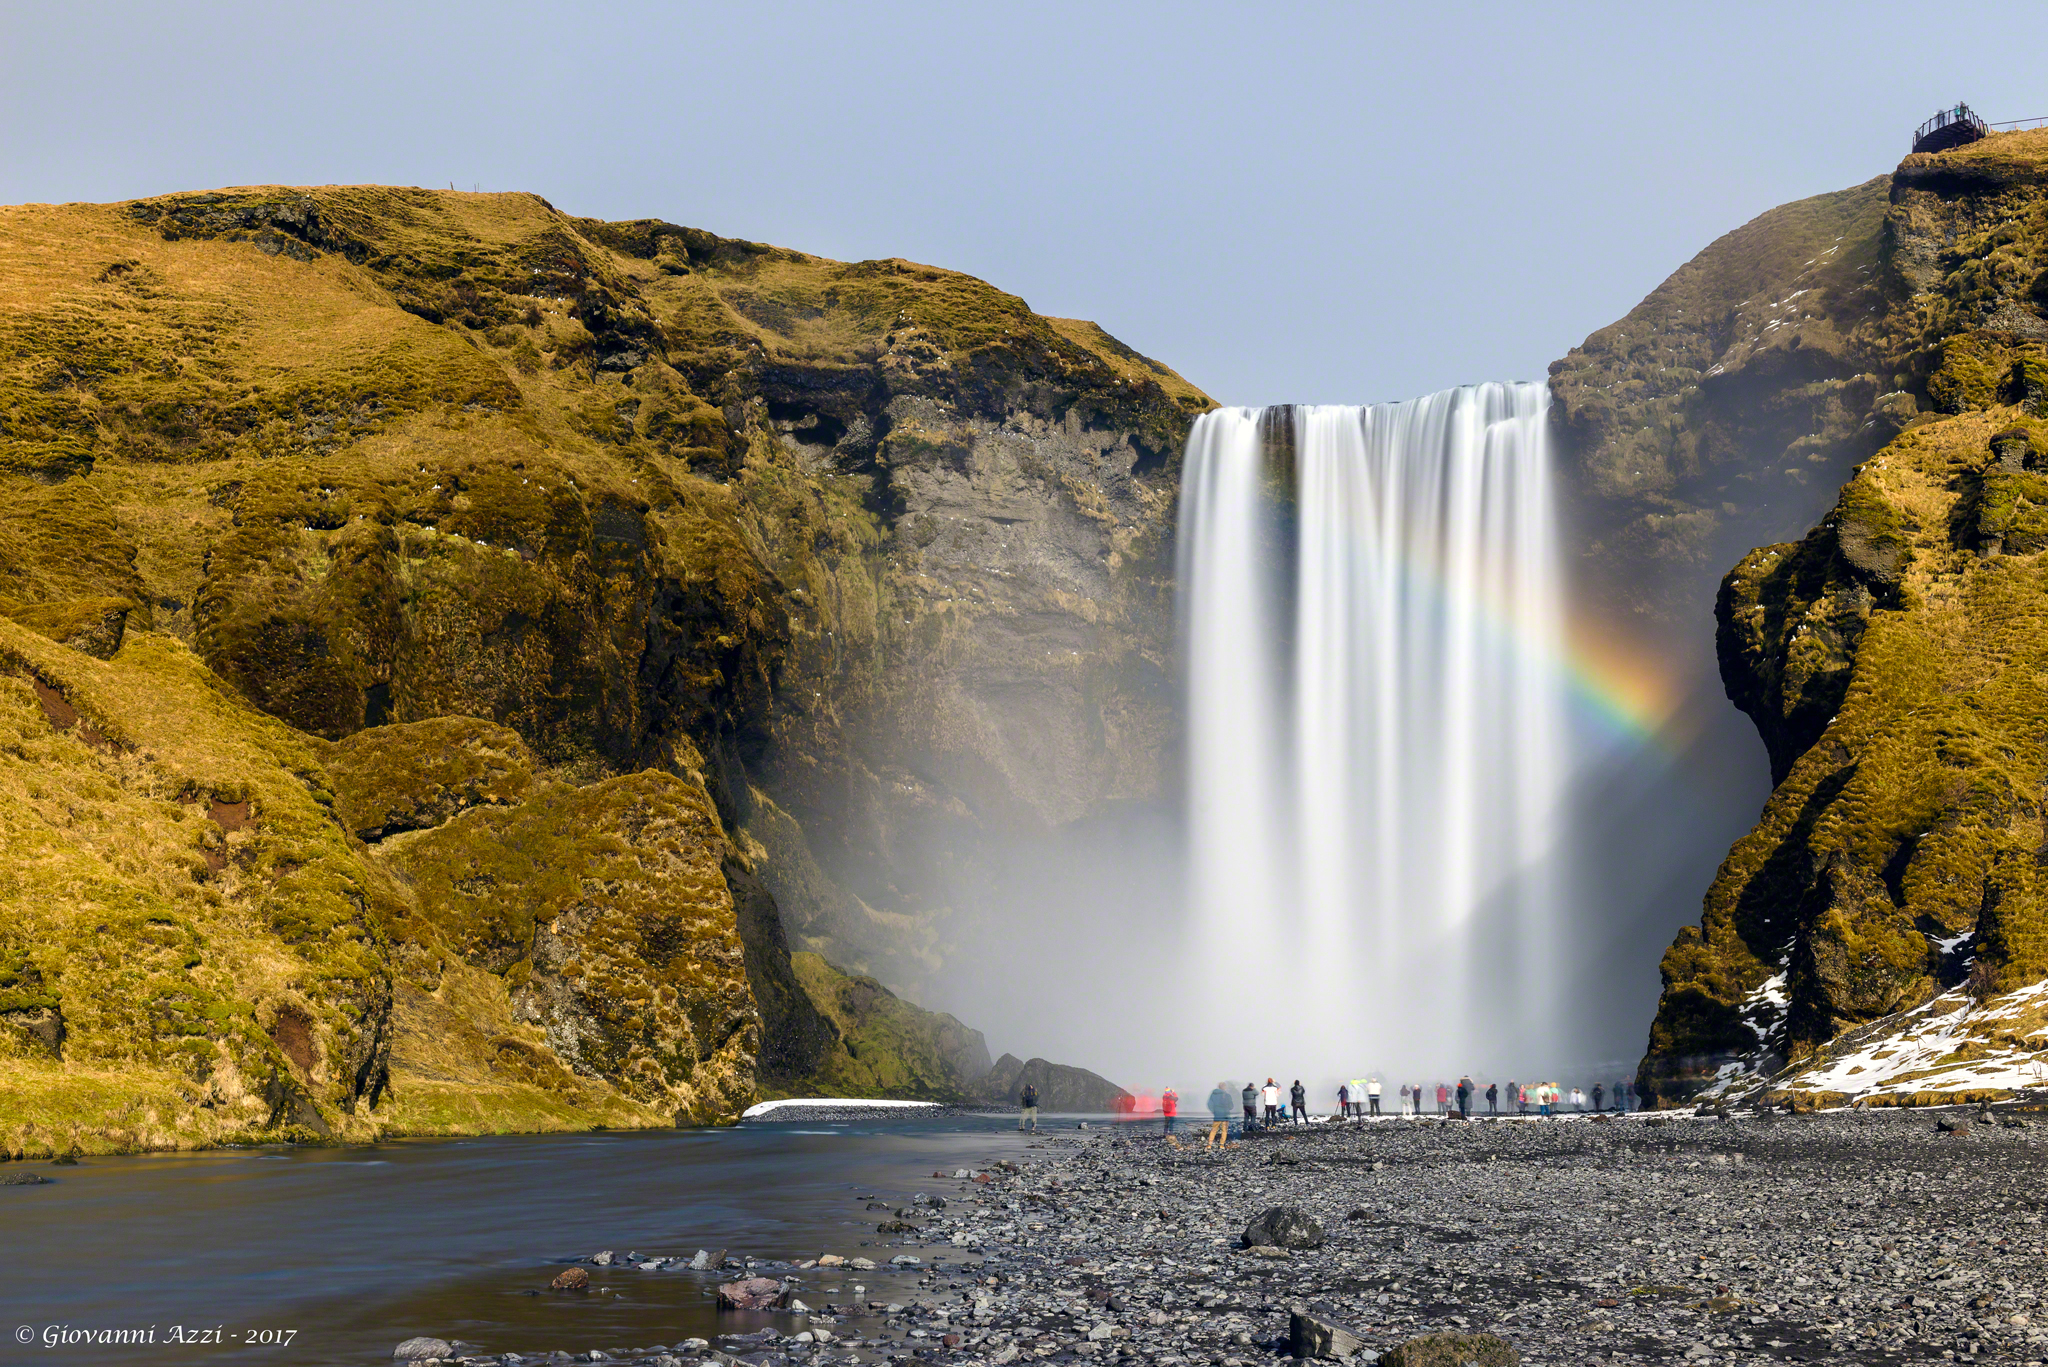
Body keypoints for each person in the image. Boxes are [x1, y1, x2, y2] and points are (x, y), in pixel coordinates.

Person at [1206, 1083, 1232, 1148]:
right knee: (1224, 1130)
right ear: (1225, 1087)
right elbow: (1231, 1106)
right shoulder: (1227, 1095)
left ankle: (1210, 1144)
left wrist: (1214, 1111)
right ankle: (1221, 1144)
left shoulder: (1213, 1094)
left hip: (1217, 1115)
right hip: (1225, 1115)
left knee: (1214, 1129)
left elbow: (1209, 1104)